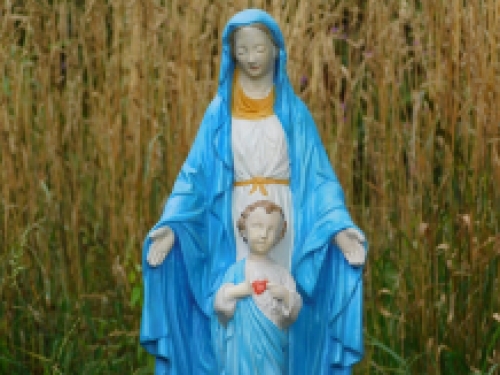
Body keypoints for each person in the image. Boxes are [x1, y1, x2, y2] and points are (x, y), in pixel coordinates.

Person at [140, 8, 367, 375]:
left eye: (259, 48)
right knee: (238, 300)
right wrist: (172, 226)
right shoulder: (219, 113)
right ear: (231, 52)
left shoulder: (293, 112)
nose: (251, 57)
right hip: (236, 222)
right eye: (242, 49)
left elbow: (318, 178)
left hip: (284, 221)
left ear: (276, 50)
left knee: (281, 303)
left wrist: (338, 230)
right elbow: (194, 176)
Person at [213, 200, 302, 375]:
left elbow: (294, 310)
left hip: (272, 343)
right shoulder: (236, 271)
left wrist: (285, 295)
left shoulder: (281, 274)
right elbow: (219, 305)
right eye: (257, 227)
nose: (263, 234)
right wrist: (237, 291)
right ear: (244, 230)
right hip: (241, 346)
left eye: (271, 230)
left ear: (279, 236)